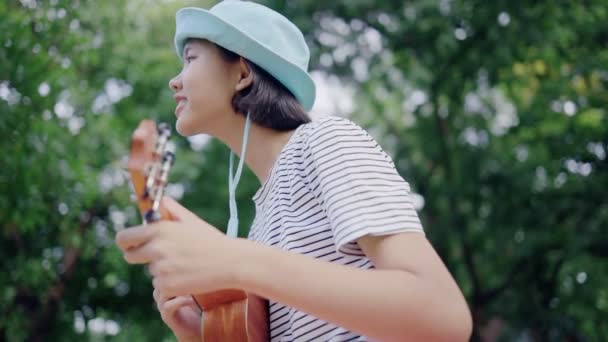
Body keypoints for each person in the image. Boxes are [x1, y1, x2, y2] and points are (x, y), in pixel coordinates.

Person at [115, 1, 473, 341]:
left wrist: (237, 260)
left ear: (241, 73)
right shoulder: (261, 223)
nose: (174, 82)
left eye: (190, 59)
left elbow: (443, 315)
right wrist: (200, 334)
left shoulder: (326, 140)